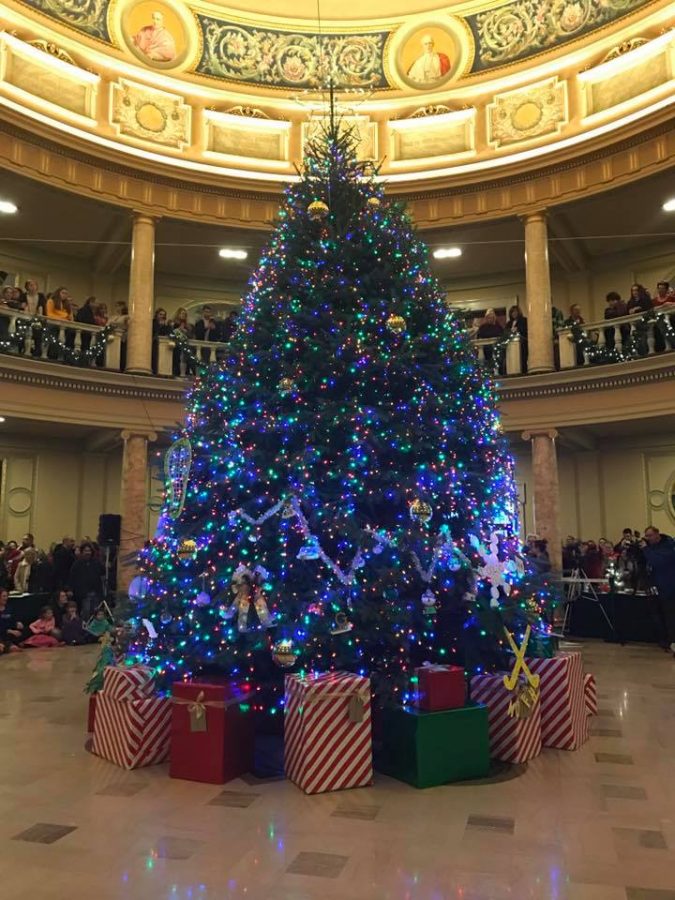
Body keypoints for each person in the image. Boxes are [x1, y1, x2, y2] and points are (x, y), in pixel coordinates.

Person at [643, 526, 675, 653]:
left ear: (657, 534)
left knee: (670, 616)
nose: (648, 538)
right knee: (657, 616)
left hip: (669, 587)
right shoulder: (650, 548)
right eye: (646, 536)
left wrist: (645, 549)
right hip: (654, 587)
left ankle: (672, 641)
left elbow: (658, 561)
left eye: (650, 536)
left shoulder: (668, 546)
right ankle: (664, 640)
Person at [67, 542, 104, 618]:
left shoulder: (96, 563)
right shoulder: (77, 564)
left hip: (95, 591)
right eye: (85, 550)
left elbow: (102, 573)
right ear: (82, 552)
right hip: (83, 593)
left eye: (89, 550)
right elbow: (72, 577)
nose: (88, 553)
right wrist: (70, 589)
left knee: (95, 611)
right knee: (86, 612)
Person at [45, 287, 72, 360]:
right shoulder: (51, 301)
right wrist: (63, 316)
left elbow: (70, 317)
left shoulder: (67, 304)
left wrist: (65, 316)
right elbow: (50, 314)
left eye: (66, 294)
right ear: (58, 293)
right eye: (63, 293)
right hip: (52, 325)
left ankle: (62, 356)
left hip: (63, 327)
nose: (64, 295)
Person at [171, 307, 194, 376]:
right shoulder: (174, 324)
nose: (183, 315)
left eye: (184, 314)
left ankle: (185, 373)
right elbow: (173, 333)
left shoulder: (188, 326)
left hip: (185, 346)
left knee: (185, 359)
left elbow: (191, 336)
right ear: (178, 314)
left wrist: (185, 331)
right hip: (177, 346)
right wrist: (179, 330)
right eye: (182, 313)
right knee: (177, 359)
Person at [0, 588, 24, 652]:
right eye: (4, 596)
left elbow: (13, 620)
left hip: (8, 636)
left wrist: (17, 623)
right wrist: (9, 631)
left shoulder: (9, 608)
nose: (6, 598)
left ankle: (9, 645)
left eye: (6, 596)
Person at [507, 304, 528, 372]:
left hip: (522, 344)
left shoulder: (524, 320)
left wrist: (517, 329)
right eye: (512, 312)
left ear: (518, 312)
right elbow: (505, 332)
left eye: (515, 311)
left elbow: (525, 330)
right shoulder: (509, 323)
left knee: (522, 359)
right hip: (511, 345)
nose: (514, 313)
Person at [152, 307, 172, 374]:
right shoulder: (152, 322)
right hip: (153, 344)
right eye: (160, 314)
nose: (162, 316)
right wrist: (159, 326)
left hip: (162, 346)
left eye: (163, 315)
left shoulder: (166, 325)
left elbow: (168, 334)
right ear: (157, 315)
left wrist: (165, 326)